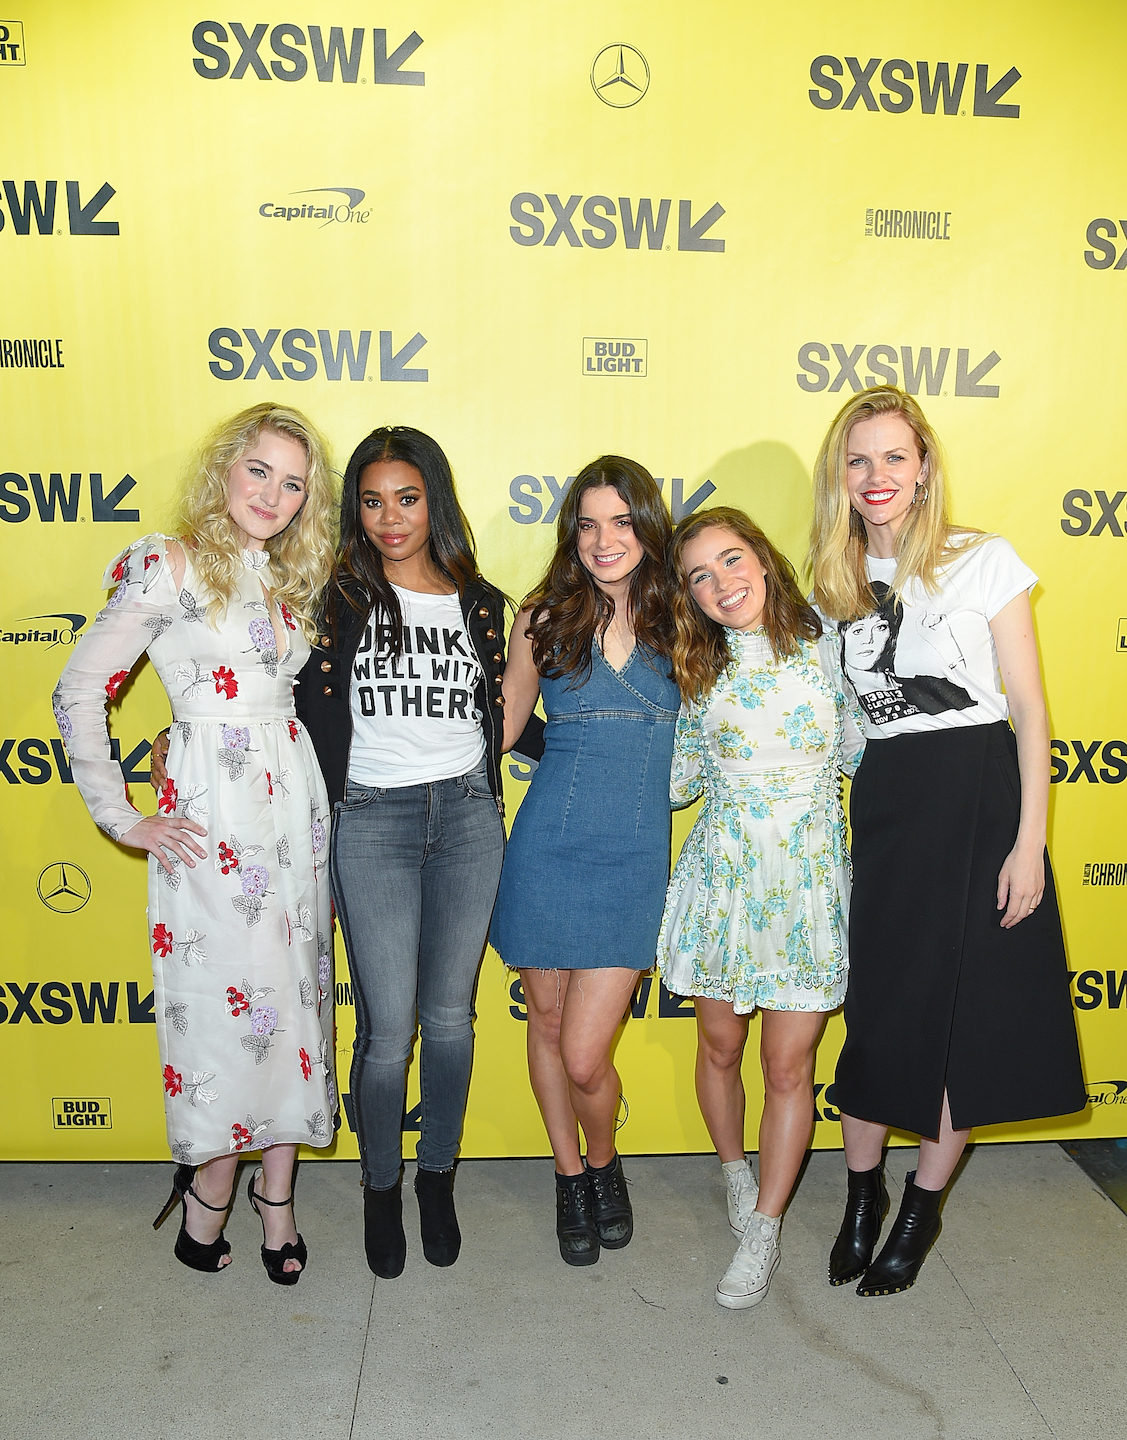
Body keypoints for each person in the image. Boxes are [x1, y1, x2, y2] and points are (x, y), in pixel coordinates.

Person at [809, 386, 1085, 1297]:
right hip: (887, 803)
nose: (876, 476)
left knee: (961, 1025)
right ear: (839, 478)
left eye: (893, 457)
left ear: (923, 466)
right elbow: (836, 722)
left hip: (979, 799)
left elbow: (1032, 712)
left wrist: (1027, 842)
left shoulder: (982, 561)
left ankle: (920, 1210)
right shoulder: (833, 586)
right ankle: (860, 1196)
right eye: (859, 460)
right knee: (880, 1014)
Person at [53, 402, 339, 1283]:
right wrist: (121, 814)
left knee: (295, 1007)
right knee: (223, 1010)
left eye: (293, 484)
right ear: (224, 468)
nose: (274, 495)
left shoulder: (288, 582)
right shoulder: (169, 566)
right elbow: (77, 689)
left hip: (290, 813)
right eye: (260, 471)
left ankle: (275, 1198)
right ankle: (214, 1179)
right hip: (212, 817)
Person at [293, 426, 517, 1280]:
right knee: (388, 1033)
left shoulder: (483, 603)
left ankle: (436, 1179)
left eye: (408, 498)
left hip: (465, 818)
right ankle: (379, 1185)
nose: (391, 518)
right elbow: (272, 689)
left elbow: (521, 707)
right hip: (372, 822)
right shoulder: (333, 597)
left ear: (437, 500)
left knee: (451, 1021)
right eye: (373, 500)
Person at [657, 507, 862, 1309]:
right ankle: (734, 1172)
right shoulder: (696, 672)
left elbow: (859, 754)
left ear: (765, 561)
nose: (720, 584)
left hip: (806, 890)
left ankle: (766, 1226)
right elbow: (679, 783)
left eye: (731, 559)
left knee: (787, 1068)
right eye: (698, 576)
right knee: (716, 1049)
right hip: (723, 888)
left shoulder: (827, 648)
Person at [491, 456, 680, 1265]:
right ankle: (569, 1176)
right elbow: (496, 730)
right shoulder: (541, 616)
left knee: (583, 1053)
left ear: (647, 526)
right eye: (588, 523)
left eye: (622, 522)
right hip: (544, 850)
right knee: (545, 1021)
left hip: (632, 859)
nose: (605, 540)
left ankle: (604, 1163)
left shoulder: (687, 616)